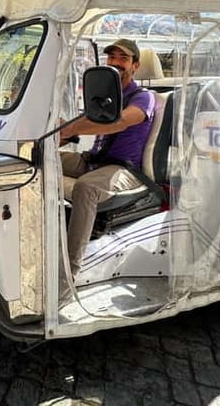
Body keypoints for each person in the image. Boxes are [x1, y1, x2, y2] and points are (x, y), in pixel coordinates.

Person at [59, 38, 156, 278]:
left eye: (123, 58)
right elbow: (80, 125)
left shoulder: (143, 97)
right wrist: (58, 135)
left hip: (123, 169)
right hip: (93, 160)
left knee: (85, 188)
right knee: (35, 159)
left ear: (135, 65)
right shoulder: (103, 97)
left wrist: (72, 129)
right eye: (112, 57)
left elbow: (121, 121)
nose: (116, 63)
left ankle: (69, 271)